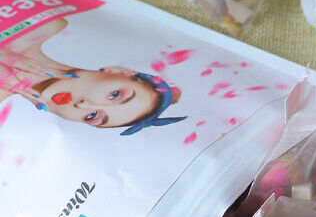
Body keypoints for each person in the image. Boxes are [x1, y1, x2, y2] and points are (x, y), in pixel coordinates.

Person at [0, 18, 185, 135]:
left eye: (92, 116)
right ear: (117, 72)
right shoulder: (50, 25)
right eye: (114, 95)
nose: (83, 105)